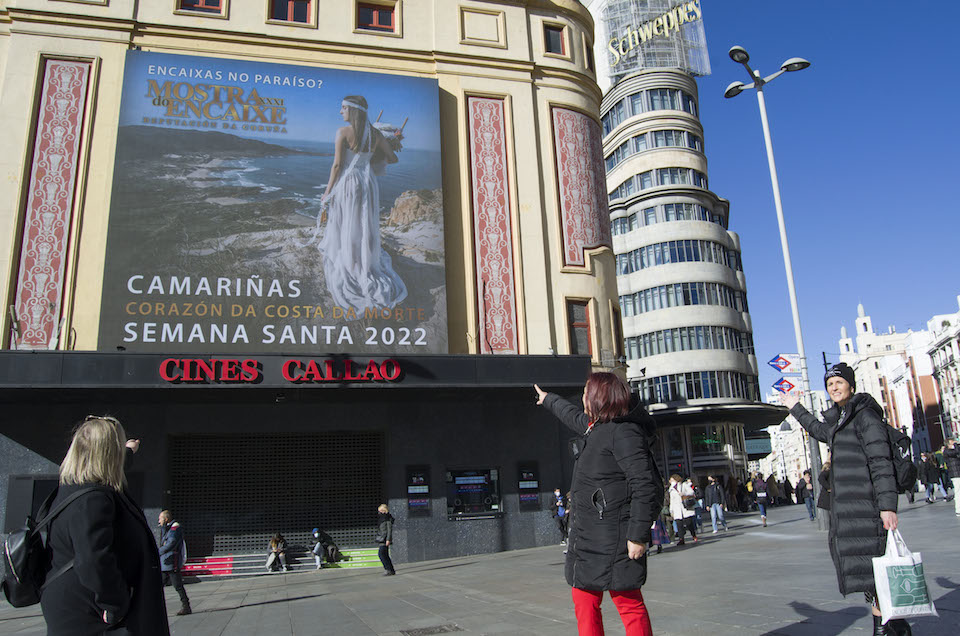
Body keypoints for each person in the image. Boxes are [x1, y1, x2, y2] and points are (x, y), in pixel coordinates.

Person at [784, 362, 909, 636]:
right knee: (870, 573)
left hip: (868, 507)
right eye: (830, 384)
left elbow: (881, 463)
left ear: (851, 386)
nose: (834, 388)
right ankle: (892, 626)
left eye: (839, 382)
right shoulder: (842, 420)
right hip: (851, 510)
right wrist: (795, 407)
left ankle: (887, 629)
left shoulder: (865, 417)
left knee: (876, 572)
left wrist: (888, 506)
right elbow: (818, 430)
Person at [535, 373, 660, 636]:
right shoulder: (597, 428)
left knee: (628, 603)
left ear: (599, 397)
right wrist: (549, 399)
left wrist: (637, 536)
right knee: (584, 601)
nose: (582, 398)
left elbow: (643, 484)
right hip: (587, 537)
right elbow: (572, 416)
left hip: (616, 537)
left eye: (586, 393)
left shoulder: (625, 432)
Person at [40, 416, 168, 635]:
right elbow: (93, 558)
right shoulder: (92, 500)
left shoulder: (73, 491)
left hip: (79, 609)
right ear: (109, 454)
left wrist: (129, 451)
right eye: (119, 446)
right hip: (94, 618)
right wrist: (115, 605)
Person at [319, 95, 407, 312]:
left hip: (348, 182)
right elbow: (393, 159)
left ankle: (349, 256)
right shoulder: (376, 134)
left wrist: (327, 192)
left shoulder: (342, 132)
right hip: (368, 182)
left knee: (347, 218)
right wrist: (382, 151)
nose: (341, 112)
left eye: (343, 108)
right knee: (363, 220)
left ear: (352, 110)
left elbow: (338, 165)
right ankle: (363, 256)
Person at [158, 510, 191, 615]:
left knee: (177, 585)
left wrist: (157, 553)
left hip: (172, 562)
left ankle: (186, 606)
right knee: (159, 585)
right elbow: (163, 541)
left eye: (160, 518)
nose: (159, 520)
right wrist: (163, 527)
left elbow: (170, 543)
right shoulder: (167, 529)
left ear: (166, 519)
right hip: (165, 562)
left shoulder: (174, 528)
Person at [668, 475, 698, 545]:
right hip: (677, 508)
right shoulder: (671, 489)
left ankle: (693, 534)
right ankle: (681, 539)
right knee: (679, 524)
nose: (670, 482)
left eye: (672, 480)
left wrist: (684, 494)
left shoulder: (683, 485)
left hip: (685, 507)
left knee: (689, 523)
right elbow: (672, 500)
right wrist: (671, 510)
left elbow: (691, 492)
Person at [376, 503, 396, 575]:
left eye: (381, 511)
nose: (379, 512)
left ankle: (388, 569)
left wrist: (388, 539)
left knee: (381, 554)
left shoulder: (387, 518)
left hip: (384, 539)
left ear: (384, 510)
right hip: (381, 538)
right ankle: (391, 570)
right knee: (385, 555)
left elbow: (389, 530)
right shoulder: (382, 518)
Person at [944, 437, 960, 516]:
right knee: (957, 492)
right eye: (952, 443)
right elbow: (956, 452)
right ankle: (958, 509)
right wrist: (956, 445)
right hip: (955, 474)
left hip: (958, 473)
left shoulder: (952, 451)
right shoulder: (947, 451)